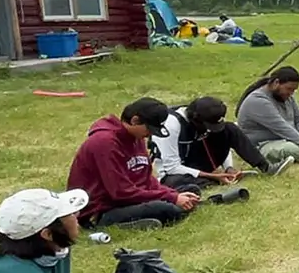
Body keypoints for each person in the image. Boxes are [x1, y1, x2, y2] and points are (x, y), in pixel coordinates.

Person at [67, 98, 200, 230]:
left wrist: (174, 195)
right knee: (166, 209)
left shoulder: (136, 138)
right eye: (149, 129)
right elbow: (120, 192)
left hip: (127, 200)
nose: (149, 135)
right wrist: (171, 198)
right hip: (102, 209)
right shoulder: (104, 142)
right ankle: (111, 224)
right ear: (135, 120)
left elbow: (147, 181)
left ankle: (153, 216)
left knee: (191, 190)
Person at [154, 96, 287, 189]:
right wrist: (214, 176)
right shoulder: (171, 124)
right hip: (177, 171)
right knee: (176, 182)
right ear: (196, 119)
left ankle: (266, 167)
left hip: (200, 161)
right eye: (207, 126)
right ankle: (215, 180)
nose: (209, 130)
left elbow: (223, 142)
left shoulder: (204, 118)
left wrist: (228, 167)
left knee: (230, 128)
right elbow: (172, 167)